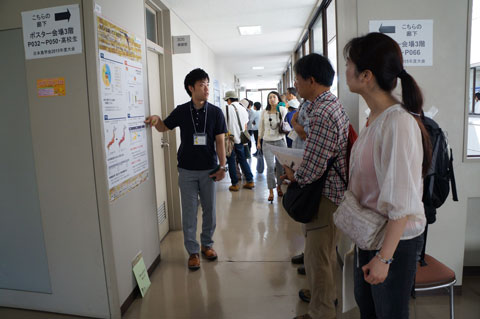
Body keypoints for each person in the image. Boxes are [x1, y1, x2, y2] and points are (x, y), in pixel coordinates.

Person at [344, 32, 432, 319]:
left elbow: (402, 202)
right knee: (369, 310)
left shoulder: (398, 124)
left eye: (349, 63)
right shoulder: (374, 118)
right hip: (370, 233)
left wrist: (384, 258)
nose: (346, 69)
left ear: (366, 75)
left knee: (389, 314)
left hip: (394, 241)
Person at [283, 53, 349, 319]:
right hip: (330, 192)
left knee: (318, 258)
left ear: (311, 80)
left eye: (298, 79)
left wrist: (291, 173)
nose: (295, 85)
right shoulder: (327, 104)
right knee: (323, 253)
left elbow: (313, 168)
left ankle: (321, 312)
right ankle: (324, 294)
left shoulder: (322, 113)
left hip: (326, 195)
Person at [144, 68, 227, 271]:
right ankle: (193, 251)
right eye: (201, 84)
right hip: (187, 170)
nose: (206, 88)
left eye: (207, 84)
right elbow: (164, 127)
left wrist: (223, 167)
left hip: (209, 169)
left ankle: (207, 245)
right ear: (191, 88)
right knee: (189, 212)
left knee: (210, 211)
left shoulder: (216, 112)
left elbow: (220, 141)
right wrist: (156, 119)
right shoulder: (182, 110)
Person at [258, 91, 288, 202]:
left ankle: (279, 187)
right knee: (270, 167)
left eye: (274, 97)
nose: (271, 99)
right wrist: (258, 141)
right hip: (267, 142)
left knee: (280, 167)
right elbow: (261, 128)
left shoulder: (282, 110)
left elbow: (287, 107)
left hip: (280, 141)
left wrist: (281, 105)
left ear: (278, 99)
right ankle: (271, 190)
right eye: (269, 97)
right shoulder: (264, 112)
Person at [222, 91, 255, 191]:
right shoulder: (243, 109)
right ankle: (250, 181)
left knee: (231, 161)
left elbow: (222, 124)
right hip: (241, 138)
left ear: (229, 100)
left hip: (230, 138)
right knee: (242, 159)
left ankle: (235, 184)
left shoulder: (226, 108)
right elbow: (245, 124)